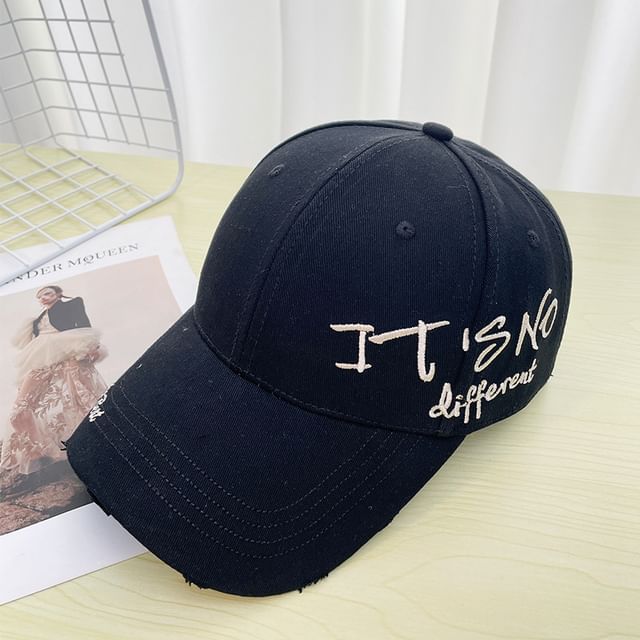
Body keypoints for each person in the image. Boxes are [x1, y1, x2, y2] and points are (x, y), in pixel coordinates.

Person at [0, 286, 109, 482]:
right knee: (19, 409)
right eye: (40, 296)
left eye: (48, 293)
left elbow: (84, 325)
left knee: (82, 397)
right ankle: (39, 454)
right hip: (41, 358)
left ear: (58, 294)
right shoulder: (35, 321)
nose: (43, 297)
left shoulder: (72, 304)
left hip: (68, 351)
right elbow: (30, 347)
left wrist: (91, 346)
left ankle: (100, 444)